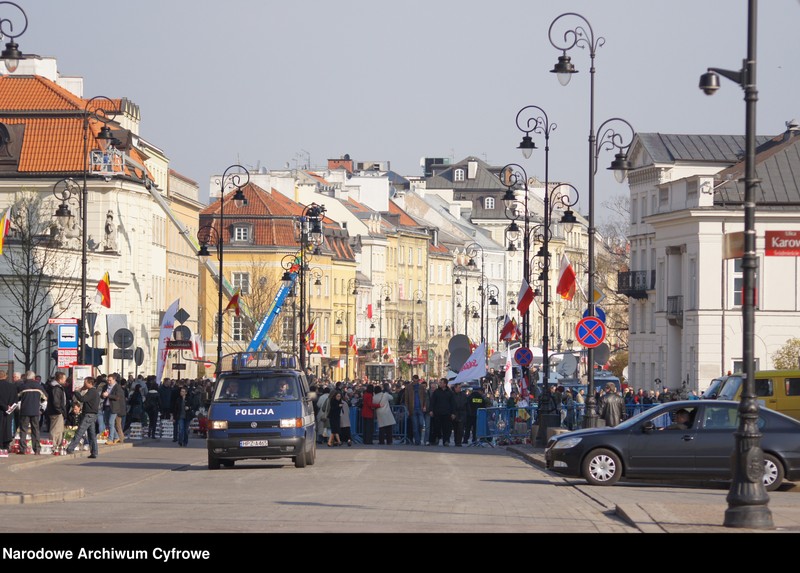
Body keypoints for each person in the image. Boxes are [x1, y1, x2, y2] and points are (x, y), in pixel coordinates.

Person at [65, 377, 101, 458]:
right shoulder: (94, 391)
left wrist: (76, 392)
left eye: (85, 383)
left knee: (79, 431)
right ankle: (94, 452)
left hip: (89, 415)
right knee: (92, 434)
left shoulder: (92, 391)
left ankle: (70, 448)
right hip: (92, 415)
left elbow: (82, 399)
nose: (84, 385)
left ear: (90, 383)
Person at [17, 371, 46, 455]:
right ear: (34, 378)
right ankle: (37, 449)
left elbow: (17, 398)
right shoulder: (39, 387)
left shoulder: (22, 387)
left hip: (24, 411)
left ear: (26, 377)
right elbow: (45, 398)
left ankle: (23, 449)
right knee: (35, 430)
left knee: (23, 430)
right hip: (35, 411)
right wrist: (41, 409)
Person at [45, 372, 68, 455]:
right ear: (60, 379)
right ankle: (53, 446)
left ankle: (57, 445)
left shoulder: (57, 387)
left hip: (57, 411)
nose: (65, 380)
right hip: (56, 412)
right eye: (64, 379)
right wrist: (60, 411)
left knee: (59, 430)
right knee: (55, 430)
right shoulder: (56, 388)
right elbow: (56, 401)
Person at [429, 378, 455, 446]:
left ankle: (446, 441)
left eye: (441, 382)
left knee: (447, 428)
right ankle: (437, 437)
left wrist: (453, 413)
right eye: (439, 382)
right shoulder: (436, 392)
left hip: (447, 413)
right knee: (436, 427)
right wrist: (431, 410)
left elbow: (453, 403)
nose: (439, 384)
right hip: (437, 413)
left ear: (445, 384)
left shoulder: (450, 392)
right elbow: (432, 402)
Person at [404, 374, 428, 446]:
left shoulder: (421, 387)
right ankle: (417, 441)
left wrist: (424, 406)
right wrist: (407, 409)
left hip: (420, 408)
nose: (415, 382)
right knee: (415, 426)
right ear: (412, 380)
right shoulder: (408, 387)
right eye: (414, 381)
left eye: (416, 381)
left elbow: (425, 398)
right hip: (412, 408)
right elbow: (406, 399)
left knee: (420, 424)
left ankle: (419, 438)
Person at [0, 371, 17, 457]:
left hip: (1, 409)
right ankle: (6, 445)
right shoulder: (12, 386)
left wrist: (3, 406)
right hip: (9, 410)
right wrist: (9, 408)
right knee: (7, 427)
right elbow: (15, 399)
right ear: (5, 376)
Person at [451, 383, 468, 447]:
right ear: (455, 388)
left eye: (460, 388)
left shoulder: (463, 395)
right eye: (459, 387)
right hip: (455, 413)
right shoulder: (452, 395)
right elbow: (451, 405)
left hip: (462, 413)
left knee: (460, 429)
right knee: (456, 428)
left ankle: (459, 442)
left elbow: (466, 404)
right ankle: (456, 441)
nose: (460, 389)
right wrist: (452, 413)